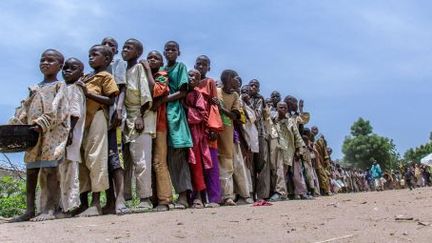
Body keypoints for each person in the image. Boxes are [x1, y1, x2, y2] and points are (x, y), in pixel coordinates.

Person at [9, 49, 70, 222]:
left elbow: (59, 109)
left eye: (50, 60)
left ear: (60, 66)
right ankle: (29, 210)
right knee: (31, 169)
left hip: (51, 133)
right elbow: (24, 109)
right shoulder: (34, 88)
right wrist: (18, 124)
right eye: (42, 60)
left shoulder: (60, 86)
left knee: (50, 168)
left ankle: (49, 209)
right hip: (32, 134)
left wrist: (42, 123)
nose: (45, 63)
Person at [76, 44, 119, 217]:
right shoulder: (85, 77)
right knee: (81, 161)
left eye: (95, 54)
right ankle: (82, 203)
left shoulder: (105, 76)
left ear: (107, 59)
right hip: (81, 121)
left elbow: (110, 100)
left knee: (96, 158)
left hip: (98, 117)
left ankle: (96, 203)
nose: (91, 57)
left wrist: (87, 93)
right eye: (89, 54)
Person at [121, 39, 156, 212]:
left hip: (140, 117)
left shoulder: (139, 68)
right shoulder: (122, 70)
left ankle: (145, 199)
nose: (125, 49)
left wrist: (141, 116)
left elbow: (146, 92)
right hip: (126, 120)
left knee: (141, 161)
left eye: (129, 47)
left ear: (138, 52)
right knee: (125, 163)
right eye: (124, 47)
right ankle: (126, 199)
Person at [162, 41, 193, 209]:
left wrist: (164, 100)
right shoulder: (162, 70)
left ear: (178, 52)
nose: (170, 52)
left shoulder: (180, 67)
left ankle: (183, 196)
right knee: (165, 158)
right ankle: (169, 194)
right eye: (167, 49)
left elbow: (183, 91)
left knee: (178, 156)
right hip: (161, 114)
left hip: (175, 112)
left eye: (173, 49)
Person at [101, 37, 128, 215]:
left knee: (116, 157)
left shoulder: (118, 63)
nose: (108, 47)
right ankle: (109, 200)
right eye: (106, 44)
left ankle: (120, 199)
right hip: (100, 118)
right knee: (105, 160)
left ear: (116, 51)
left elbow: (122, 88)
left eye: (112, 45)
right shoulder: (97, 69)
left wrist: (118, 109)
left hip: (114, 114)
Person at [194, 55, 223, 207]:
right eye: (198, 64)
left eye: (204, 64)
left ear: (208, 67)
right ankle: (198, 197)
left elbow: (214, 105)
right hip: (194, 126)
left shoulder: (210, 82)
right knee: (196, 161)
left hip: (208, 126)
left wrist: (214, 128)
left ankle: (214, 198)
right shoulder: (192, 82)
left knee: (211, 163)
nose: (200, 67)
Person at [58, 57, 85, 217]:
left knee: (70, 170)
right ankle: (60, 205)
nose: (67, 71)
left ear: (81, 73)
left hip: (70, 136)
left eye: (72, 68)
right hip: (61, 136)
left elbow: (75, 114)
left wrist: (69, 133)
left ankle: (70, 206)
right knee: (60, 171)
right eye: (65, 68)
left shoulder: (76, 88)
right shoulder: (62, 87)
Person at [146, 50, 173, 211]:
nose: (152, 60)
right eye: (150, 57)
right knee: (149, 162)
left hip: (160, 124)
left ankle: (165, 200)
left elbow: (156, 91)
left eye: (156, 58)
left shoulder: (162, 75)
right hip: (147, 124)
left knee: (159, 162)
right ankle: (154, 198)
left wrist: (148, 71)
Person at [184, 69, 211, 209]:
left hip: (194, 133)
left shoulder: (197, 94)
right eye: (190, 75)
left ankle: (199, 196)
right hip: (180, 130)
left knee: (196, 164)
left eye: (196, 76)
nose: (192, 78)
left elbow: (202, 114)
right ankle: (185, 196)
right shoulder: (179, 91)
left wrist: (186, 108)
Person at [214, 70, 242, 206]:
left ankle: (227, 196)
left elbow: (235, 116)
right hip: (213, 133)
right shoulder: (216, 90)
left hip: (227, 134)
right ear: (228, 78)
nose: (237, 80)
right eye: (235, 78)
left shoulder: (235, 96)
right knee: (214, 164)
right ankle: (214, 196)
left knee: (227, 165)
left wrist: (221, 109)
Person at [269, 101, 306, 201]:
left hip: (288, 149)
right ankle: (281, 192)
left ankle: (281, 193)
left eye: (285, 108)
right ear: (277, 108)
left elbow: (297, 136)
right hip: (276, 148)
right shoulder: (272, 120)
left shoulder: (290, 121)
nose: (283, 110)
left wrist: (300, 150)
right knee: (277, 171)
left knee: (284, 170)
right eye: (281, 107)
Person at [249, 79, 270, 200]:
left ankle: (262, 194)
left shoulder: (260, 100)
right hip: (248, 135)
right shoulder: (242, 97)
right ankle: (251, 193)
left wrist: (247, 102)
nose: (253, 87)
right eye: (251, 85)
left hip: (260, 134)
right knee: (250, 165)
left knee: (262, 164)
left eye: (255, 85)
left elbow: (256, 115)